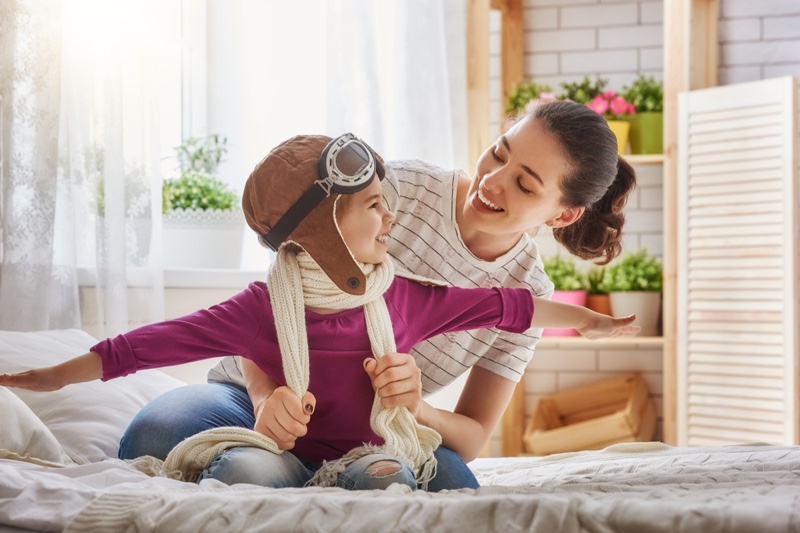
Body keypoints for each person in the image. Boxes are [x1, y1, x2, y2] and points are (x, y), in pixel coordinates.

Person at [0, 131, 639, 492]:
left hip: (375, 427)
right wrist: (269, 396)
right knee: (153, 434)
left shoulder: (424, 299)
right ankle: (280, 465)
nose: (493, 181)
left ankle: (317, 472)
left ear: (562, 213)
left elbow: (506, 332)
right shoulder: (402, 186)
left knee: (453, 484)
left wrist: (412, 405)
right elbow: (280, 270)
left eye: (526, 183)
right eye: (500, 151)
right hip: (250, 399)